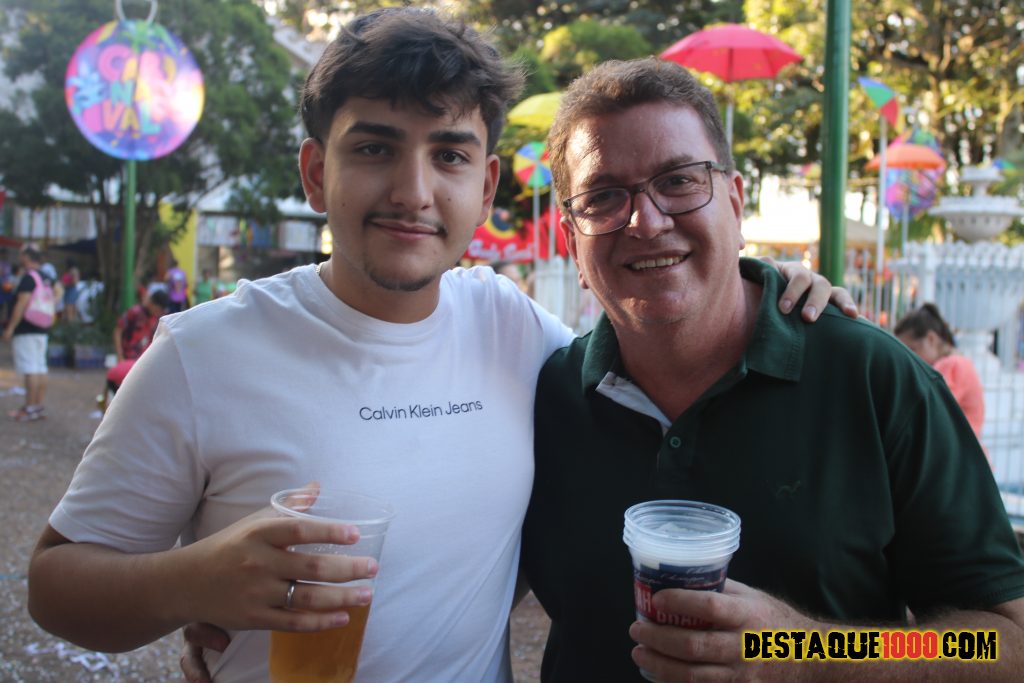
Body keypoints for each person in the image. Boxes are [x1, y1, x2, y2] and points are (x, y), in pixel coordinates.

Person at [28, 10, 851, 683]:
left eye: (449, 154)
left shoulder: (513, 328)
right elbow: (54, 585)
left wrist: (760, 288)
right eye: (374, 148)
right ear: (315, 172)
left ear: (485, 186)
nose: (413, 191)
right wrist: (191, 583)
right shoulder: (202, 352)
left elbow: (657, 342)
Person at [519, 57, 1024, 682]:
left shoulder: (872, 378)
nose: (646, 221)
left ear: (734, 203)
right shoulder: (543, 395)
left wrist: (804, 655)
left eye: (679, 181)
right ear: (572, 241)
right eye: (602, 197)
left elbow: (1006, 643)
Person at [895, 302, 985, 440]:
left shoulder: (950, 365)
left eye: (912, 349)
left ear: (931, 339)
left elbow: (930, 408)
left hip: (957, 447)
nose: (908, 358)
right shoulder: (959, 361)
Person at [2, 244, 55, 422]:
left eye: (21, 255)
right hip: (42, 328)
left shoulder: (28, 278)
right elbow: (59, 291)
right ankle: (37, 406)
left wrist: (10, 327)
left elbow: (21, 304)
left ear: (27, 257)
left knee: (30, 368)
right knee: (40, 367)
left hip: (26, 329)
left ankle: (30, 407)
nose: (20, 258)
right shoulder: (46, 277)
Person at [113, 289, 171, 364]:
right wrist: (120, 356)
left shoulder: (156, 318)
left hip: (143, 360)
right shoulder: (135, 312)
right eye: (158, 310)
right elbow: (118, 331)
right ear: (152, 303)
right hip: (128, 358)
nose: (159, 313)